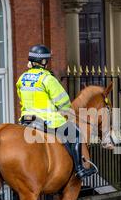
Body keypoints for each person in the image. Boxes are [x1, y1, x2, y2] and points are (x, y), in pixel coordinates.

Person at [16, 44, 97, 179]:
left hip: (27, 119)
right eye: (46, 60)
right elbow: (63, 102)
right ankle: (80, 169)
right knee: (76, 134)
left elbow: (21, 98)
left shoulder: (22, 78)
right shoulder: (47, 79)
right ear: (43, 61)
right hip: (47, 120)